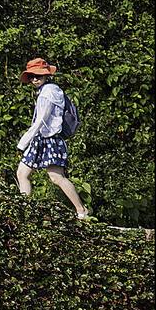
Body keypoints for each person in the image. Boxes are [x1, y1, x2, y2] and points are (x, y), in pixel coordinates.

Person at [15, 58, 90, 219]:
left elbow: (41, 121)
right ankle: (24, 211)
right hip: (40, 140)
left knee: (56, 177)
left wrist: (22, 143)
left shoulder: (48, 93)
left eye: (38, 75)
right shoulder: (46, 91)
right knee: (22, 173)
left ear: (46, 76)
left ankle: (81, 210)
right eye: (32, 76)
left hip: (50, 140)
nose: (35, 79)